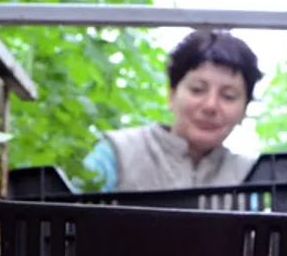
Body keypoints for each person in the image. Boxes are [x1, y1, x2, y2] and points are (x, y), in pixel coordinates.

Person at [83, 29, 262, 192]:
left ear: (244, 110)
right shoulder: (117, 153)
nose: (210, 106)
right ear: (171, 95)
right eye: (197, 90)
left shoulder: (251, 176)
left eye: (228, 96)